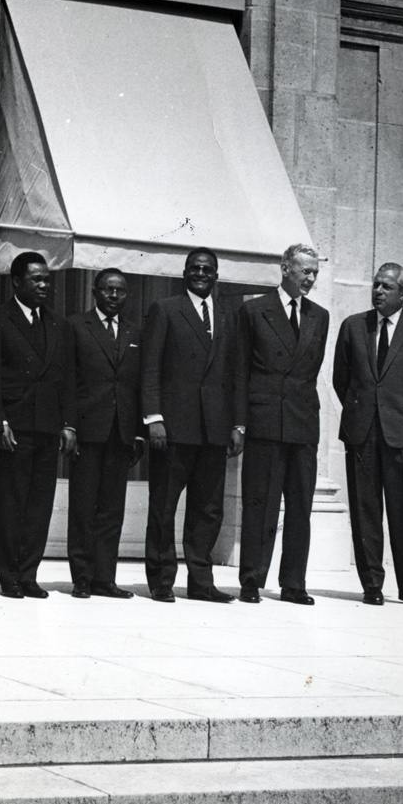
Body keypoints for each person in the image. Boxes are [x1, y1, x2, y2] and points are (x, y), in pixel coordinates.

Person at [333, 262, 403, 607]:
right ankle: (372, 585)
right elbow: (342, 380)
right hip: (362, 435)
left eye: (386, 287)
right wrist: (364, 412)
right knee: (365, 512)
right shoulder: (353, 327)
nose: (378, 292)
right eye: (376, 285)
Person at [141, 247, 240, 603]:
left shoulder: (229, 317)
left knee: (208, 509)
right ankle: (162, 580)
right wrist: (154, 418)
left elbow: (236, 374)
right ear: (185, 273)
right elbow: (150, 367)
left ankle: (201, 582)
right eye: (194, 268)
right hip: (173, 429)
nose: (200, 273)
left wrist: (237, 425)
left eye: (207, 269)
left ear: (216, 276)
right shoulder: (165, 310)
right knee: (164, 506)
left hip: (213, 430)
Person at [234, 244, 329, 605]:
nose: (311, 278)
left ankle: (293, 583)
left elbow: (311, 370)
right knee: (260, 503)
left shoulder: (319, 316)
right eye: (305, 271)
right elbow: (241, 370)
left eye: (315, 272)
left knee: (301, 507)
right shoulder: (254, 310)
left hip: (303, 423)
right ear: (285, 268)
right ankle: (251, 580)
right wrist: (240, 423)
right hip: (265, 421)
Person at [0, 251, 76, 599]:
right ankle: (9, 575)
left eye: (47, 280)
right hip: (14, 428)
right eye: (36, 279)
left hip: (47, 428)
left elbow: (68, 379)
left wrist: (68, 424)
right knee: (11, 502)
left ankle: (29, 573)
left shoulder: (59, 324)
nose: (43, 285)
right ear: (16, 282)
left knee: (40, 505)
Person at [65, 268, 143, 599]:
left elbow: (137, 385)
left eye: (120, 291)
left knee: (112, 509)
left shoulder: (134, 331)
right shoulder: (76, 326)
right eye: (108, 290)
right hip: (87, 429)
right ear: (95, 292)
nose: (114, 296)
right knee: (83, 507)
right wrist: (68, 425)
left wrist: (138, 431)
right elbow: (68, 378)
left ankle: (104, 578)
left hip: (121, 431)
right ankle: (82, 577)